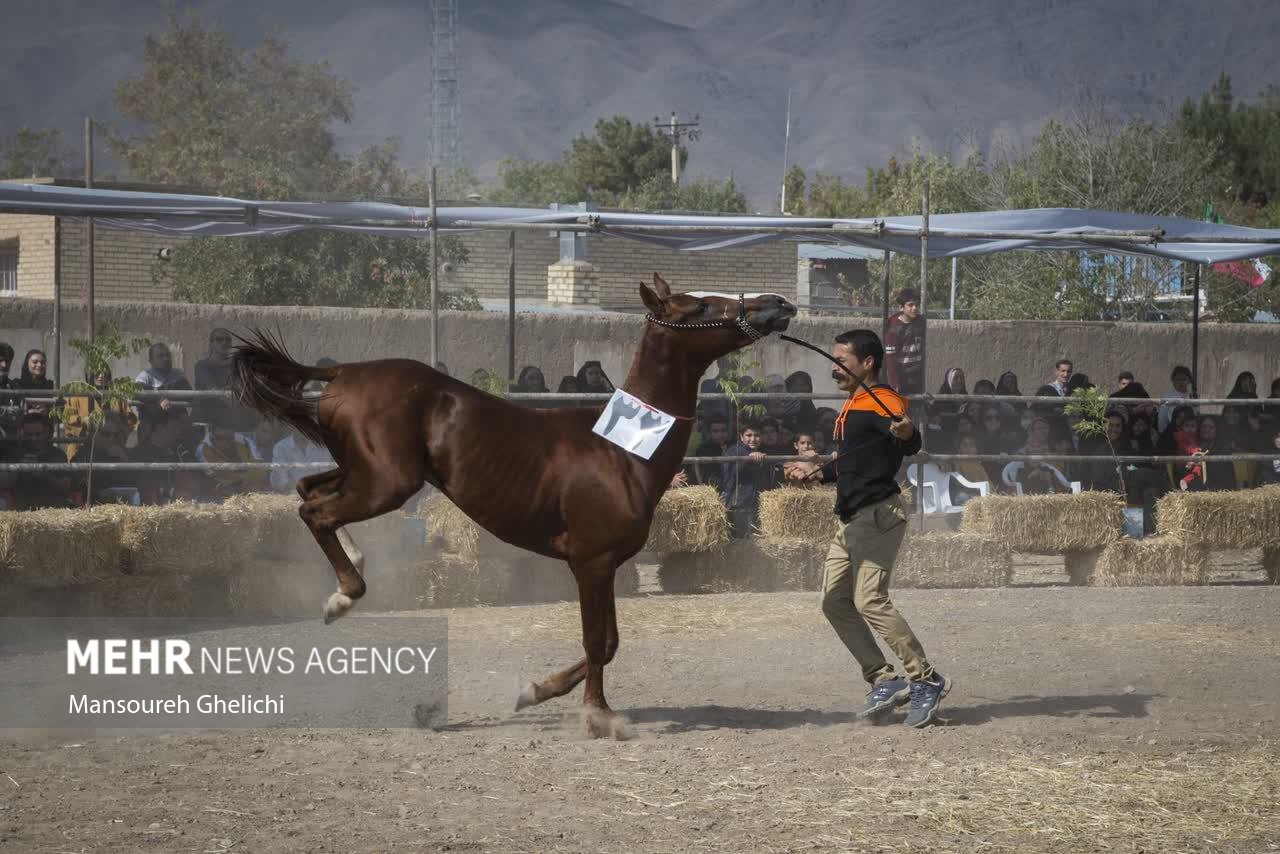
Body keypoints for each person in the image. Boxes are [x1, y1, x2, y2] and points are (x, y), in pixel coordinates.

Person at [808, 328, 947, 728]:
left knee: (869, 599)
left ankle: (925, 679)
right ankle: (884, 679)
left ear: (867, 363)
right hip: (850, 519)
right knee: (834, 601)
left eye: (842, 361)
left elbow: (907, 436)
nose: (835, 368)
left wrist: (907, 433)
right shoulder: (851, 406)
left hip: (878, 515)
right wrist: (817, 473)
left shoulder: (881, 399)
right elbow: (851, 463)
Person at [883, 288, 924, 396]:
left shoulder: (920, 321)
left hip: (917, 373)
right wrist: (894, 385)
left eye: (916, 305)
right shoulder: (893, 329)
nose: (914, 308)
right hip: (902, 374)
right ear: (901, 307)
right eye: (910, 305)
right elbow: (891, 359)